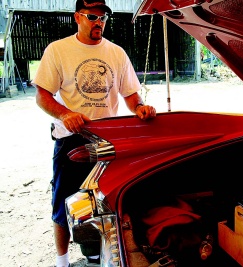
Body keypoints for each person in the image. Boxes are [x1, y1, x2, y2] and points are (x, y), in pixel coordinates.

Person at [32, 0, 157, 266]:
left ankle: (99, 252)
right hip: (71, 138)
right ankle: (62, 260)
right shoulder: (58, 50)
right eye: (92, 16)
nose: (98, 22)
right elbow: (42, 96)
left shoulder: (116, 53)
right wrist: (66, 114)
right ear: (78, 17)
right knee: (64, 202)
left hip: (109, 141)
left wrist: (141, 108)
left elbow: (131, 95)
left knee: (109, 201)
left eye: (103, 18)